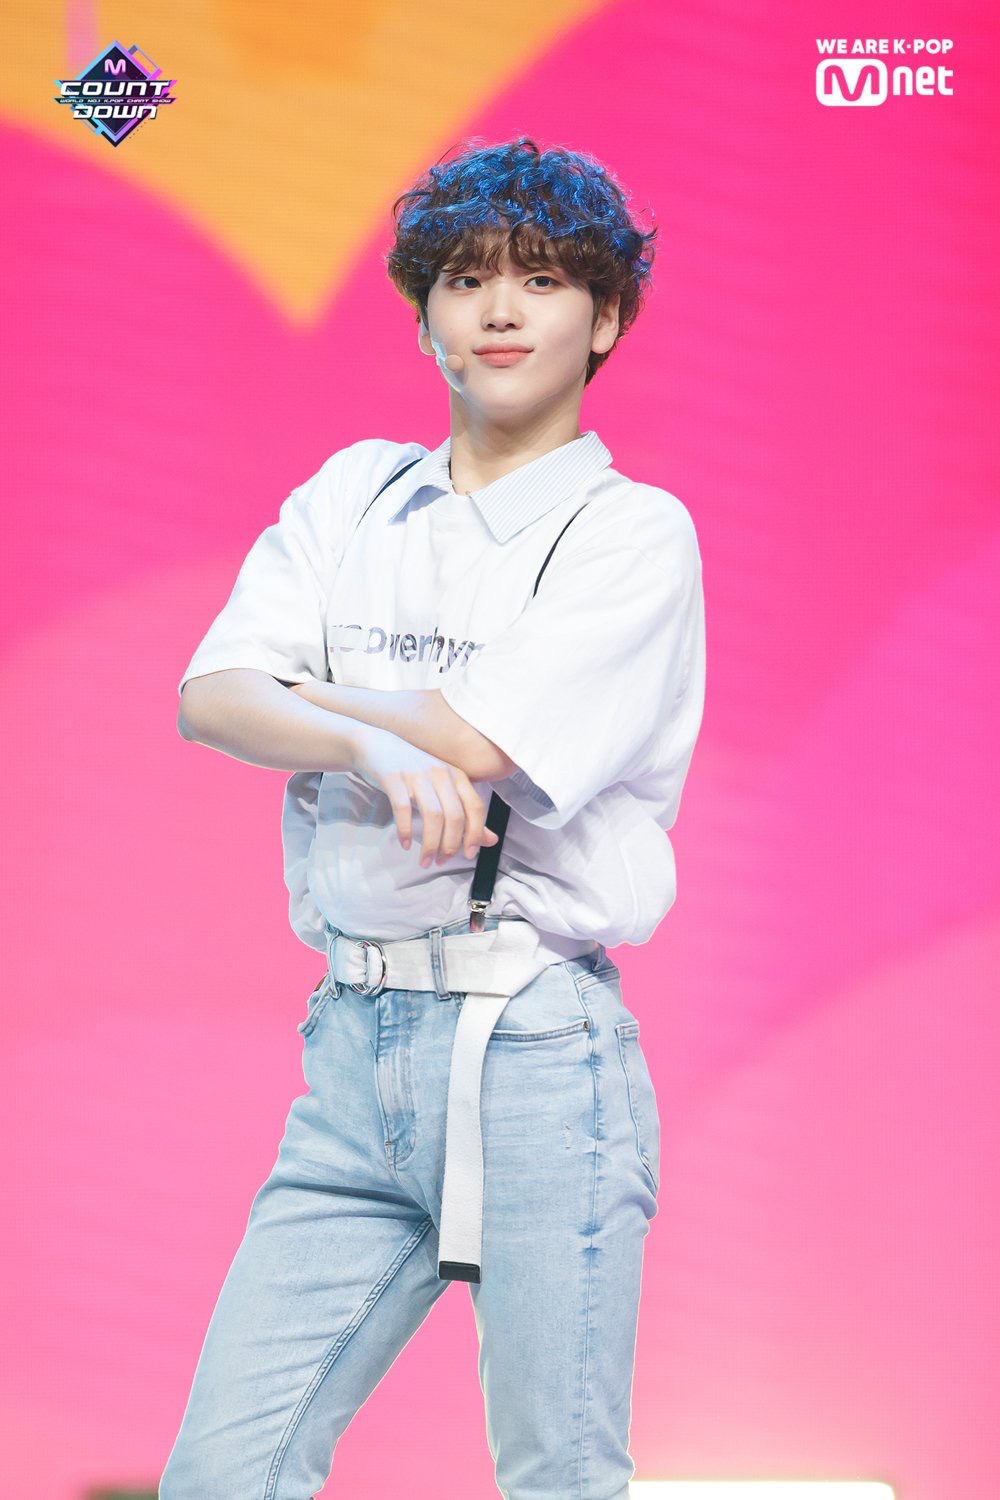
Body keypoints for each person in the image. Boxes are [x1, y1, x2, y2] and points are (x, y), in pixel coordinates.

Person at [159, 135, 706, 1500]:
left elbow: (479, 742)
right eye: (464, 280)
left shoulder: (634, 533)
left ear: (607, 320)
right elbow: (210, 697)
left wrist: (305, 690)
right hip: (353, 1049)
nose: (500, 310)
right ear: (423, 320)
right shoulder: (354, 493)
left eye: (543, 281)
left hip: (536, 1052)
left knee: (558, 1477)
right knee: (223, 1475)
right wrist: (351, 731)